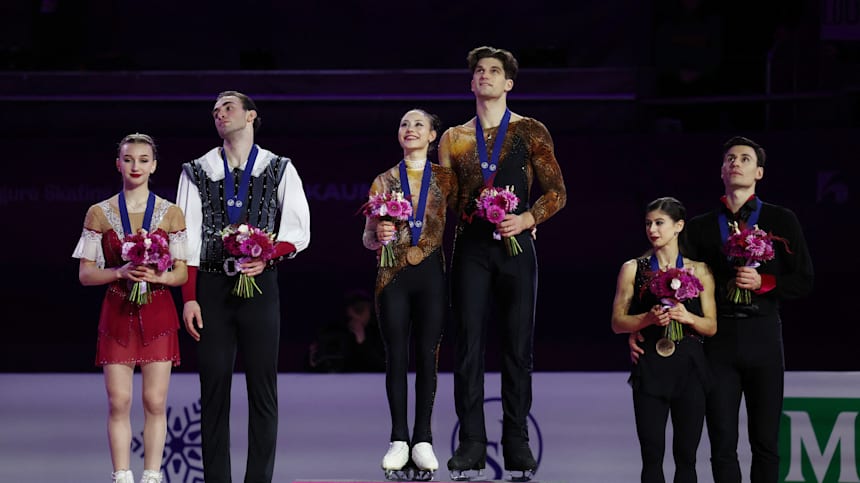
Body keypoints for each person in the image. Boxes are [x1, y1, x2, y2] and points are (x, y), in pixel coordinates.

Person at [630, 136, 814, 483]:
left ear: (759, 172)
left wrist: (764, 283)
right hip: (718, 341)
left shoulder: (781, 219)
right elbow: (665, 270)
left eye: (745, 159)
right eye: (730, 158)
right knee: (722, 444)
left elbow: (804, 279)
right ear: (721, 171)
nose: (736, 163)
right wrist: (640, 322)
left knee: (765, 442)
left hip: (763, 334)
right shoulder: (700, 226)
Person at [438, 46, 567, 480]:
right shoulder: (454, 137)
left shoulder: (530, 130)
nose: (485, 75)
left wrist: (528, 219)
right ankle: (471, 444)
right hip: (471, 247)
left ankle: (517, 442)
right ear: (471, 82)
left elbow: (557, 192)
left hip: (516, 245)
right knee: (468, 347)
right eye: (479, 70)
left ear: (508, 83)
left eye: (494, 71)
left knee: (517, 346)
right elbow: (447, 199)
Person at [175, 90, 311, 482]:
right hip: (212, 289)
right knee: (213, 390)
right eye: (215, 110)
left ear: (250, 116)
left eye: (228, 107)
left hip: (260, 286)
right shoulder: (196, 170)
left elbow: (299, 231)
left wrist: (268, 254)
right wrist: (189, 299)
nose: (219, 113)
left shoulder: (279, 167)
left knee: (263, 389)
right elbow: (186, 239)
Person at [73, 133, 188, 483]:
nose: (135, 166)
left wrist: (159, 276)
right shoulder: (99, 212)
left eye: (142, 159)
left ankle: (152, 476)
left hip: (158, 312)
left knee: (154, 401)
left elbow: (182, 273)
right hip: (117, 311)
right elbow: (85, 274)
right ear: (118, 164)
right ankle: (122, 476)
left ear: (154, 166)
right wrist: (119, 272)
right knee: (119, 401)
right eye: (128, 159)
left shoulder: (171, 212)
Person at [362, 108, 458, 480]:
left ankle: (423, 439)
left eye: (419, 124)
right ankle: (398, 438)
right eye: (404, 124)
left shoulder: (446, 178)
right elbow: (368, 238)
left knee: (428, 355)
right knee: (397, 356)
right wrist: (378, 235)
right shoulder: (383, 180)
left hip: (431, 274)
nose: (410, 129)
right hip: (392, 278)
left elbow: (468, 218)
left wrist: (525, 225)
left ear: (433, 135)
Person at [611, 197, 716, 483]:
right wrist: (647, 319)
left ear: (678, 226)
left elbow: (711, 326)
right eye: (648, 224)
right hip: (650, 367)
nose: (652, 230)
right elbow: (618, 323)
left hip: (690, 370)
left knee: (687, 458)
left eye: (659, 223)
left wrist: (687, 317)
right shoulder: (633, 268)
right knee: (652, 456)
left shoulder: (700, 270)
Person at [306, 288, 386, 373]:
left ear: (371, 309)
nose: (356, 318)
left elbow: (382, 367)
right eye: (350, 316)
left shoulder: (381, 333)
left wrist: (362, 342)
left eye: (359, 309)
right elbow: (327, 366)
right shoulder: (337, 332)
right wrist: (312, 362)